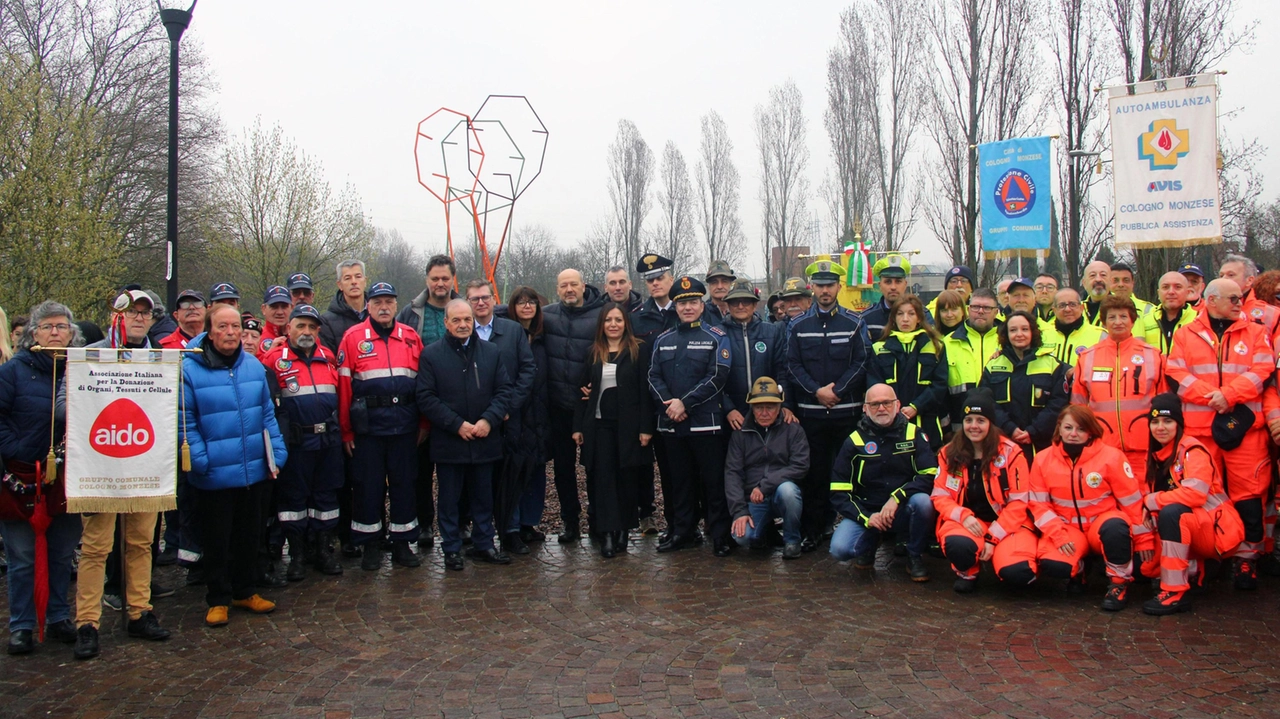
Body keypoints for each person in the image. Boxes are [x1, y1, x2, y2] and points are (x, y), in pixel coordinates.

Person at [74, 290, 171, 659]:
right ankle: (87, 622)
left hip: (145, 460)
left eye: (145, 313)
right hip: (102, 463)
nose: (139, 318)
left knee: (141, 543)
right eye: (132, 312)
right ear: (117, 315)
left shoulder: (160, 359)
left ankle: (139, 611)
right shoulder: (91, 355)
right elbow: (69, 401)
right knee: (96, 547)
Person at [182, 304, 287, 628]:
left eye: (234, 327)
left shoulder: (254, 367)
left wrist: (277, 450)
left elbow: (267, 413)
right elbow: (185, 420)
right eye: (223, 327)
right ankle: (218, 598)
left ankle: (245, 590)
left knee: (249, 535)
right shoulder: (189, 369)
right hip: (213, 472)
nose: (230, 333)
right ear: (210, 331)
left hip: (253, 468)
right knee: (217, 539)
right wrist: (199, 459)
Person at [1166, 278, 1274, 589]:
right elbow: (1175, 372)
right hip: (1200, 434)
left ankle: (1246, 560)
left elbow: (1263, 370)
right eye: (1232, 299)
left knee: (1249, 497)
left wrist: (1229, 395)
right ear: (1211, 301)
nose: (1240, 303)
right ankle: (1208, 555)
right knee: (1203, 498)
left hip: (1245, 430)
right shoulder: (1186, 334)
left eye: (1240, 298)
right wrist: (1210, 396)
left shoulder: (1255, 332)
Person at [0, 302, 82, 655]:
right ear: (33, 332)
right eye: (47, 326)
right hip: (20, 475)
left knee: (63, 552)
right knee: (22, 557)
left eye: (61, 326)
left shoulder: (79, 371)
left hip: (65, 473)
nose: (54, 332)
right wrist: (15, 447)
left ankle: (58, 615)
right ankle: (22, 624)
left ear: (71, 333)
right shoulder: (13, 372)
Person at [417, 300, 514, 571]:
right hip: (450, 441)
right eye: (456, 320)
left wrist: (488, 420)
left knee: (484, 497)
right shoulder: (431, 355)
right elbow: (425, 397)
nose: (462, 325)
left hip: (485, 439)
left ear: (474, 321)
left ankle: (484, 544)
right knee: (449, 499)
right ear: (446, 323)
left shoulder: (491, 352)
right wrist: (456, 424)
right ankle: (451, 548)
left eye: (467, 320)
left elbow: (504, 390)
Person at [337, 282, 424, 571]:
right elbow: (344, 388)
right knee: (367, 487)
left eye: (389, 301)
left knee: (404, 485)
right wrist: (346, 430)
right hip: (368, 430)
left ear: (396, 305)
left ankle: (402, 543)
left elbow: (423, 385)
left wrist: (423, 423)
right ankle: (370, 545)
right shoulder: (352, 338)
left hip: (404, 427)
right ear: (368, 306)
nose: (383, 307)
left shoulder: (410, 337)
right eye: (377, 302)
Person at [1027, 405, 1147, 611]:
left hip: (1102, 526)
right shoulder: (1042, 459)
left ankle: (1118, 584)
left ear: (1090, 431)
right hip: (1067, 529)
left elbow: (1132, 502)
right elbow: (1039, 504)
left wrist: (1145, 541)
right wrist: (1058, 535)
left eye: (1081, 429)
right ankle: (1080, 570)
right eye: (1068, 427)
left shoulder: (1112, 457)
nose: (1073, 434)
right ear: (1059, 429)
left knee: (1116, 528)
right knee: (1053, 566)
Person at [789, 260, 873, 552]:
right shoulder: (798, 325)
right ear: (812, 288)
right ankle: (814, 529)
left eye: (830, 285)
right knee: (814, 475)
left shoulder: (854, 322)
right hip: (811, 415)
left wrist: (837, 391)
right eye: (820, 285)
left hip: (845, 414)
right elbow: (793, 364)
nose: (825, 291)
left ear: (839, 287)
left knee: (850, 473)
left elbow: (862, 361)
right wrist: (816, 391)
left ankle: (856, 527)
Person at [648, 276, 732, 555]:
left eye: (693, 302)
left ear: (701, 304)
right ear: (675, 306)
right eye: (682, 303)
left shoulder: (716, 337)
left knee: (713, 483)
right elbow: (653, 376)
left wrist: (684, 404)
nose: (688, 308)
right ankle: (684, 532)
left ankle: (721, 535)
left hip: (706, 425)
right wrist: (670, 405)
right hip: (672, 425)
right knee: (679, 483)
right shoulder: (663, 340)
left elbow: (717, 377)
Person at [260, 305, 344, 580]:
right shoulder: (274, 359)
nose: (306, 331)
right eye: (300, 326)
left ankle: (322, 551)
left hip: (327, 440)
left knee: (326, 497)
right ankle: (296, 556)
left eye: (311, 327)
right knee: (293, 501)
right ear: (288, 329)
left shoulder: (328, 357)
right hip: (296, 442)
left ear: (318, 331)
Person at [1139, 393, 1243, 614]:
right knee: (1145, 569)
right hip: (1196, 525)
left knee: (1171, 513)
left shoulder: (1192, 451)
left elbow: (1195, 495)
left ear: (1179, 424)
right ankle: (1197, 569)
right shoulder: (1155, 457)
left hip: (1217, 531)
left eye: (1168, 421)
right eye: (1155, 422)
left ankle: (1175, 591)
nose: (1160, 427)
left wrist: (1151, 501)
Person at [828, 384, 938, 581]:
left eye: (886, 403)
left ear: (898, 404)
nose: (881, 408)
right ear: (865, 408)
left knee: (924, 502)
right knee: (840, 549)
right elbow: (839, 491)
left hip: (903, 508)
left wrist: (897, 497)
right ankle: (870, 541)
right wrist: (866, 518)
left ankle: (914, 555)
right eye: (875, 404)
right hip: (868, 511)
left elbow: (929, 475)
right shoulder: (854, 441)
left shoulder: (914, 434)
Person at [930, 389, 1036, 593]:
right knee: (957, 545)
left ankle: (1001, 560)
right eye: (968, 420)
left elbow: (1019, 503)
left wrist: (993, 537)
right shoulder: (948, 453)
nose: (974, 426)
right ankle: (968, 571)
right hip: (969, 523)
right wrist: (963, 516)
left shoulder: (1012, 453)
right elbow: (940, 496)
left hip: (1007, 525)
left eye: (980, 420)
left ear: (991, 423)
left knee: (1018, 574)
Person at [572, 303, 655, 558]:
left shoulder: (638, 350)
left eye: (618, 320)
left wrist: (645, 428)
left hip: (629, 427)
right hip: (599, 426)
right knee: (604, 480)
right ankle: (607, 532)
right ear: (602, 324)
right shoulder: (593, 352)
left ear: (625, 323)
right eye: (608, 320)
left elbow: (645, 392)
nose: (613, 325)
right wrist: (577, 427)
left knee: (627, 480)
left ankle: (624, 530)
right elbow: (582, 391)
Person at [465, 279, 536, 554]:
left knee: (510, 477)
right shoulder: (462, 330)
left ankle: (511, 531)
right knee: (478, 480)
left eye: (485, 297)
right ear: (468, 302)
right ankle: (480, 533)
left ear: (493, 299)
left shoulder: (512, 331)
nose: (481, 303)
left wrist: (508, 407)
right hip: (474, 422)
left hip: (508, 419)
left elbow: (527, 370)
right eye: (475, 299)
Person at [541, 269, 606, 543]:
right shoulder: (547, 315)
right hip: (558, 404)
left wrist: (598, 382)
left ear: (583, 286)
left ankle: (597, 519)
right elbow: (514, 310)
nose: (569, 289)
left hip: (591, 403)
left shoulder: (602, 314)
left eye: (573, 284)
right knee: (563, 468)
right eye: (563, 285)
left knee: (594, 465)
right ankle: (570, 521)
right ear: (557, 289)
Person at [1070, 296, 1164, 471]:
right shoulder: (1087, 357)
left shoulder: (1153, 355)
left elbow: (1163, 400)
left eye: (1123, 317)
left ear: (1133, 321)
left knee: (1141, 494)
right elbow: (1078, 405)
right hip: (1101, 444)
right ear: (1104, 322)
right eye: (1112, 317)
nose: (1118, 322)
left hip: (1143, 445)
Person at [724, 377, 808, 559]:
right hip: (753, 499)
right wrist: (739, 511)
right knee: (742, 537)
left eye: (769, 407)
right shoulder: (740, 433)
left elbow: (800, 465)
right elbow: (732, 473)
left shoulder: (793, 429)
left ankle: (792, 539)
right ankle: (762, 533)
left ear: (779, 408)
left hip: (781, 492)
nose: (764, 413)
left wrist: (765, 486)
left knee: (789, 492)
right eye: (758, 407)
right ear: (751, 408)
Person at [630, 254, 678, 536]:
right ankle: (661, 521)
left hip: (685, 403)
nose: (656, 283)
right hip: (651, 405)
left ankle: (685, 522)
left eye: (660, 277)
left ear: (671, 279)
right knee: (651, 467)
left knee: (680, 471)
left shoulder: (687, 309)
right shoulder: (636, 318)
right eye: (650, 280)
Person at [980, 311, 1069, 459]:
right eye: (1013, 330)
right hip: (1003, 442)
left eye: (1025, 329)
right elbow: (988, 402)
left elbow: (1058, 403)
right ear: (1006, 334)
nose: (1019, 334)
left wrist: (1033, 431)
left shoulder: (1051, 364)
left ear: (1033, 332)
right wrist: (1010, 428)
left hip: (1043, 444)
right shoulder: (993, 365)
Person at [868, 295, 948, 448]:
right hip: (890, 421)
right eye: (900, 314)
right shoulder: (879, 348)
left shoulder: (936, 346)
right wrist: (892, 409)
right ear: (893, 318)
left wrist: (916, 406)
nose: (905, 319)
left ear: (919, 318)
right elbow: (874, 384)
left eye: (911, 314)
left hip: (925, 420)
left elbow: (940, 384)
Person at [506, 286, 551, 545]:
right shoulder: (507, 336)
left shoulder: (544, 337)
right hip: (516, 411)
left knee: (537, 469)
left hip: (542, 411)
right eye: (521, 302)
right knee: (515, 470)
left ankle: (529, 522)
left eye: (531, 302)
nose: (526, 307)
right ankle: (512, 524)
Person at [720, 279, 791, 432]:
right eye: (734, 302)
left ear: (754, 304)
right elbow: (713, 378)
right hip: (731, 416)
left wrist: (784, 405)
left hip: (767, 412)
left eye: (745, 301)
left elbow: (781, 372)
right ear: (728, 305)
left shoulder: (772, 332)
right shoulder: (718, 334)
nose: (740, 306)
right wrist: (728, 409)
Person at [942, 288, 1002, 431]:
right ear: (968, 309)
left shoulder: (1007, 341)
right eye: (976, 307)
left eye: (987, 308)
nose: (980, 311)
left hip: (1001, 427)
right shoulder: (948, 342)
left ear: (996, 311)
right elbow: (941, 392)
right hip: (960, 429)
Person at [861, 254, 930, 338]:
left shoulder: (922, 314)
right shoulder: (867, 317)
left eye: (898, 281)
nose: (893, 287)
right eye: (888, 282)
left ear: (905, 284)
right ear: (880, 285)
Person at [397, 254, 458, 346]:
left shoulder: (466, 311)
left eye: (445, 279)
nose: (440, 284)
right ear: (427, 280)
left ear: (453, 280)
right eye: (435, 279)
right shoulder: (410, 312)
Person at [1219, 253, 1280, 342]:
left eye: (1231, 275)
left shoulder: (1271, 314)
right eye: (1221, 275)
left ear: (1249, 280)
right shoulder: (1209, 310)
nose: (1223, 279)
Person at [1039, 288, 1106, 366]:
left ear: (1081, 308)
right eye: (1062, 305)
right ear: (1054, 310)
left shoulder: (1100, 335)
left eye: (1072, 304)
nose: (1067, 309)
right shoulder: (1043, 334)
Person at [1139, 271, 1196, 355]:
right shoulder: (1144, 321)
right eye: (1165, 287)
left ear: (1187, 293)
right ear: (1158, 293)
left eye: (1177, 287)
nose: (1171, 292)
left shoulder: (1198, 320)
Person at [320, 259, 367, 353]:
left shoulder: (378, 315)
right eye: (347, 278)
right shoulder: (326, 322)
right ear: (339, 285)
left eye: (358, 276)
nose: (354, 282)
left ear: (365, 281)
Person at [257, 285, 292, 354]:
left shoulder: (299, 337)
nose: (280, 312)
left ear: (292, 308)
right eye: (274, 307)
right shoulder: (255, 339)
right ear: (264, 309)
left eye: (284, 307)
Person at [703, 260, 736, 325]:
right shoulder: (701, 314)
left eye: (724, 281)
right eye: (714, 282)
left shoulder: (740, 311)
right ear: (709, 287)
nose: (720, 286)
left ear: (731, 284)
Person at [1082, 260, 1111, 325]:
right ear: (1084, 283)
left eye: (1103, 275)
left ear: (1111, 281)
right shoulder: (1075, 310)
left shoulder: (1122, 308)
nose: (1098, 279)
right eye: (1092, 275)